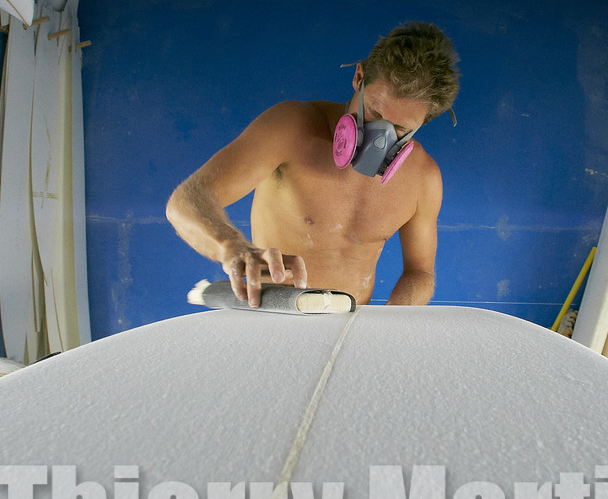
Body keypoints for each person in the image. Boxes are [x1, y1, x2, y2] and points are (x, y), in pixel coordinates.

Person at [166, 22, 459, 308]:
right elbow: (186, 200)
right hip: (272, 319)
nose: (379, 137)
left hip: (351, 331)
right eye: (373, 111)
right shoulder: (291, 128)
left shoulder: (423, 177)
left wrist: (387, 326)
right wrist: (232, 247)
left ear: (422, 123)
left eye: (399, 128)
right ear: (359, 77)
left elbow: (419, 273)